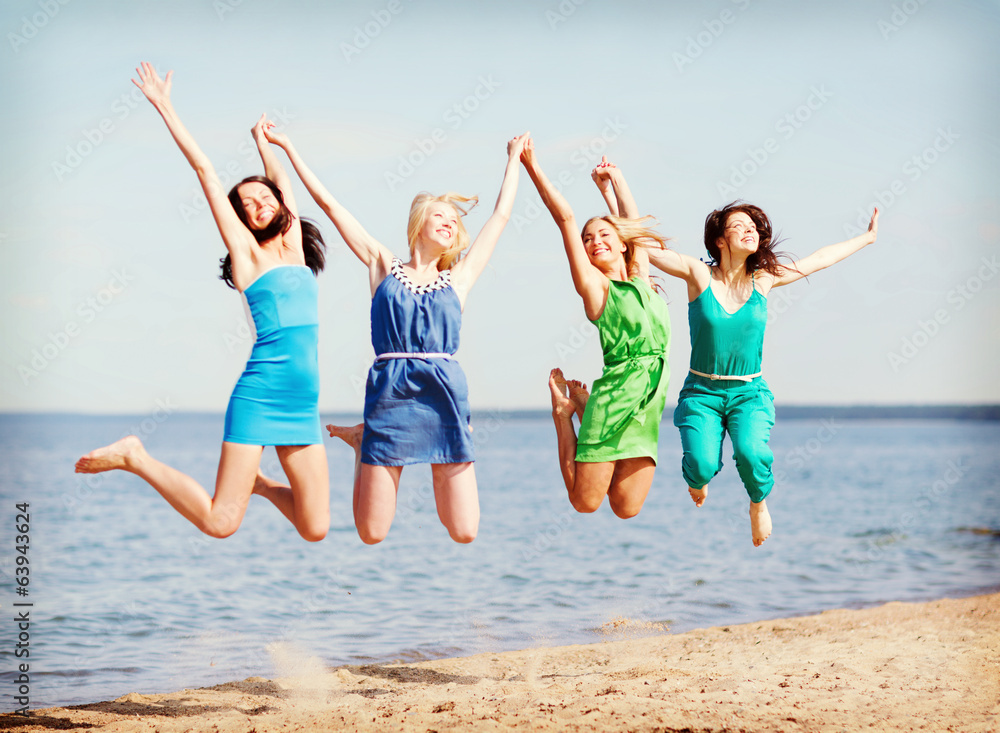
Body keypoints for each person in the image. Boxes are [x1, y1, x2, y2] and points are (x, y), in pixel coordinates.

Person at [75, 63, 331, 542]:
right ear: (241, 221)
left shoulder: (294, 243)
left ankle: (259, 485)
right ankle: (136, 456)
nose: (257, 206)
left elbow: (281, 176)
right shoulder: (248, 256)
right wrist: (165, 106)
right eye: (247, 206)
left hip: (303, 402)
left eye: (263, 199)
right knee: (220, 523)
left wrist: (263, 140)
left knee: (315, 527)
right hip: (260, 394)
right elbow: (204, 170)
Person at [262, 126, 529, 544]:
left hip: (444, 395)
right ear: (420, 222)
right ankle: (360, 442)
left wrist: (513, 160)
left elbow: (500, 217)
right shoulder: (383, 263)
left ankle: (369, 441)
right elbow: (330, 206)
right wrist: (288, 148)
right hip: (391, 392)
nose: (449, 223)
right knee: (371, 532)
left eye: (454, 221)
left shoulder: (459, 278)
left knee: (464, 531)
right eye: (440, 216)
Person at [643, 198, 879, 546]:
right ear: (720, 240)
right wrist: (613, 187)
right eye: (738, 226)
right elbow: (647, 249)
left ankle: (758, 502)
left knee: (752, 453)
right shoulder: (698, 274)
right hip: (701, 394)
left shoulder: (763, 280)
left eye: (753, 227)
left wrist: (867, 238)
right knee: (701, 464)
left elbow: (818, 260)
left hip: (748, 393)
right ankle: (699, 477)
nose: (749, 230)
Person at [521, 140, 671, 519]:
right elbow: (566, 219)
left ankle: (583, 410)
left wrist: (615, 181)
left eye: (604, 235)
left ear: (623, 244)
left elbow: (632, 223)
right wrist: (533, 166)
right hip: (616, 394)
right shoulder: (596, 288)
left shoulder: (641, 277)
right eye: (589, 240)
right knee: (584, 502)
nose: (594, 241)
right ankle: (563, 413)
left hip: (649, 400)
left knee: (626, 508)